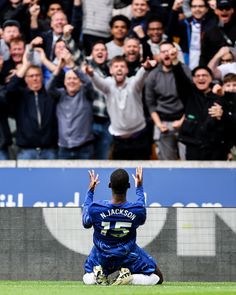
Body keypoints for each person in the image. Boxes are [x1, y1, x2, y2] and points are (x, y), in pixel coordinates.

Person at [82, 167, 164, 285]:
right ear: (128, 186)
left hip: (102, 254)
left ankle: (97, 277)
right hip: (128, 254)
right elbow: (142, 214)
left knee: (87, 273)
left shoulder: (96, 208)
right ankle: (130, 278)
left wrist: (90, 191)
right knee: (158, 277)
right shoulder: (137, 210)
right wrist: (139, 187)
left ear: (110, 185)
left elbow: (86, 223)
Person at [86, 55, 156, 160]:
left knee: (141, 174)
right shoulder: (108, 85)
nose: (119, 69)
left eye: (122, 66)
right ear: (111, 71)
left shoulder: (133, 83)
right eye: (116, 66)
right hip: (118, 141)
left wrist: (145, 68)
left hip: (139, 138)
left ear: (127, 70)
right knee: (121, 174)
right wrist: (91, 74)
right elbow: (99, 82)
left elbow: (140, 78)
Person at [171, 47, 226, 160]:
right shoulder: (189, 95)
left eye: (205, 75)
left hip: (215, 149)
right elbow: (180, 79)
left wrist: (223, 111)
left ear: (211, 78)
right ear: (193, 79)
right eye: (198, 76)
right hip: (193, 147)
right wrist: (175, 61)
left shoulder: (219, 95)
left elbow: (228, 119)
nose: (201, 78)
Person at [145, 41, 191, 160]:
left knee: (188, 161)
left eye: (169, 51)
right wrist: (159, 124)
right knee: (166, 163)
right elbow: (150, 103)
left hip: (184, 120)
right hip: (163, 122)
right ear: (159, 55)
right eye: (163, 52)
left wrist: (182, 120)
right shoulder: (153, 75)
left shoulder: (184, 70)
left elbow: (192, 99)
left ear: (175, 53)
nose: (167, 54)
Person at [47, 58, 95, 160]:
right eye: (69, 78)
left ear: (80, 81)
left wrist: (74, 67)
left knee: (85, 176)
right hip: (64, 148)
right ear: (64, 82)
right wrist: (59, 67)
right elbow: (48, 87)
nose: (71, 81)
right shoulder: (60, 94)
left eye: (75, 78)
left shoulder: (86, 93)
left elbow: (88, 82)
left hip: (84, 148)